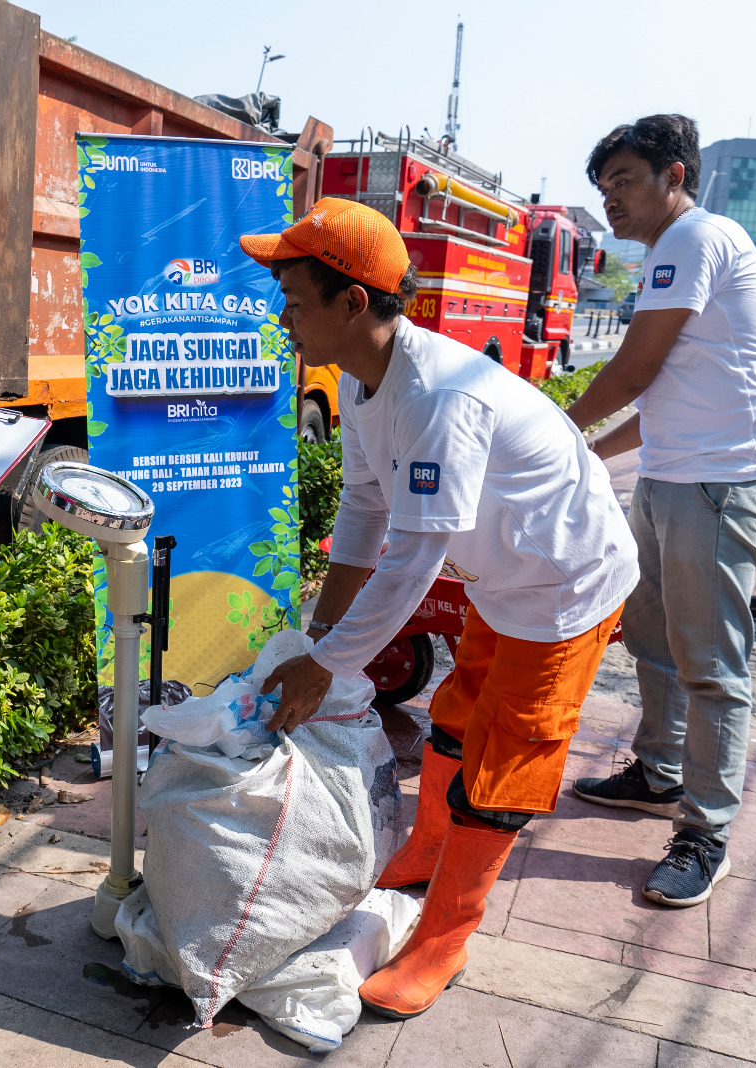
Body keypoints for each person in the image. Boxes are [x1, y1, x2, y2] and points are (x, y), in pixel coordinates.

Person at [245, 197, 639, 1020]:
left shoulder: (440, 398)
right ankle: (428, 850)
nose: (282, 319)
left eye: (294, 300)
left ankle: (446, 936)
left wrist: (327, 667)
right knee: (458, 716)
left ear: (353, 302)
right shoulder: (361, 385)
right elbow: (363, 510)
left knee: (507, 760)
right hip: (504, 576)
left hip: (565, 586)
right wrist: (319, 635)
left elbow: (414, 560)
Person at [566, 115, 756, 908]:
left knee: (711, 663)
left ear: (675, 176)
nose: (612, 200)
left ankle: (707, 832)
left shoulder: (697, 239)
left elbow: (633, 368)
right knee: (651, 639)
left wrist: (555, 428)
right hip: (671, 475)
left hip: (722, 481)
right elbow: (658, 394)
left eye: (624, 181)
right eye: (603, 188)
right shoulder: (672, 253)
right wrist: (589, 450)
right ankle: (658, 776)